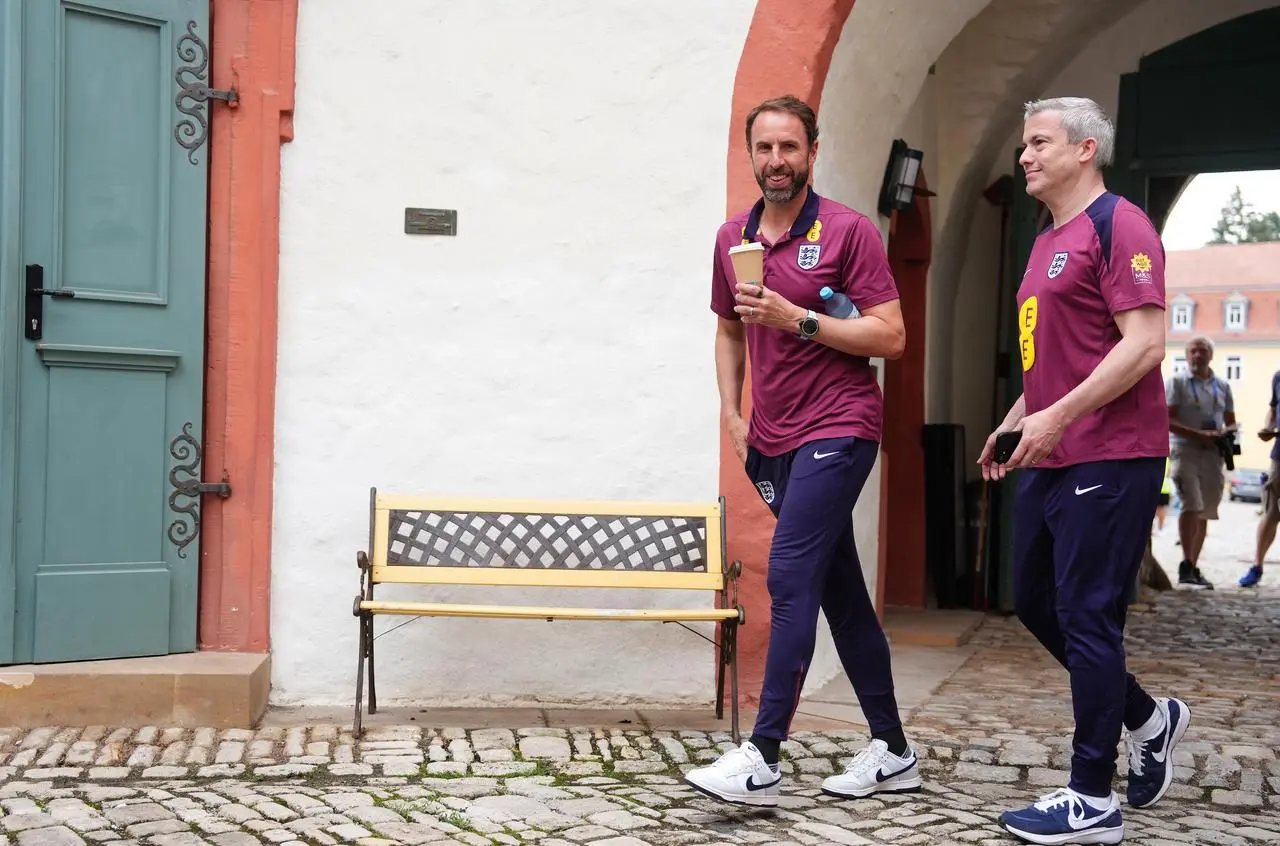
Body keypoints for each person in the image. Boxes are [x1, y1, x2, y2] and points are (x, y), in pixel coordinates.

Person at [684, 95, 917, 808]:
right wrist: (731, 410)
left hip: (840, 427)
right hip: (772, 437)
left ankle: (763, 753)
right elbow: (728, 329)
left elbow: (891, 336)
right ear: (750, 155)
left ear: (812, 152)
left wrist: (800, 319)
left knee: (788, 573)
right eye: (765, 149)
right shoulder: (734, 238)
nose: (777, 161)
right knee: (841, 592)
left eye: (790, 147)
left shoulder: (847, 232)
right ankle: (895, 750)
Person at [979, 97, 1190, 845]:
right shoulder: (1046, 237)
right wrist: (1016, 417)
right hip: (1051, 447)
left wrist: (1057, 415)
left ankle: (1092, 797)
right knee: (1035, 601)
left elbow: (1143, 344)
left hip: (1113, 449)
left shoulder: (1119, 225)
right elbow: (1057, 348)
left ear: (1085, 151)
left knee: (1087, 614)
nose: (1026, 156)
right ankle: (1147, 716)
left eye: (1039, 143)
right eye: (1024, 144)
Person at [1165, 336, 1235, 588]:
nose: (1197, 355)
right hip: (1185, 451)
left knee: (1205, 509)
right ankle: (1185, 562)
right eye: (1192, 351)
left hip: (1213, 454)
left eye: (1202, 350)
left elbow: (1230, 419)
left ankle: (1193, 566)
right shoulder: (1177, 382)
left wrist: (1229, 432)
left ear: (1210, 355)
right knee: (1191, 504)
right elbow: (1167, 419)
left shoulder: (1222, 385)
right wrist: (1199, 435)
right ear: (1186, 355)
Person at [1240, 367, 1280, 587]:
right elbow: (1273, 409)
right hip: (1279, 455)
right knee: (1271, 513)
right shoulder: (1278, 376)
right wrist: (1268, 427)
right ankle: (1257, 565)